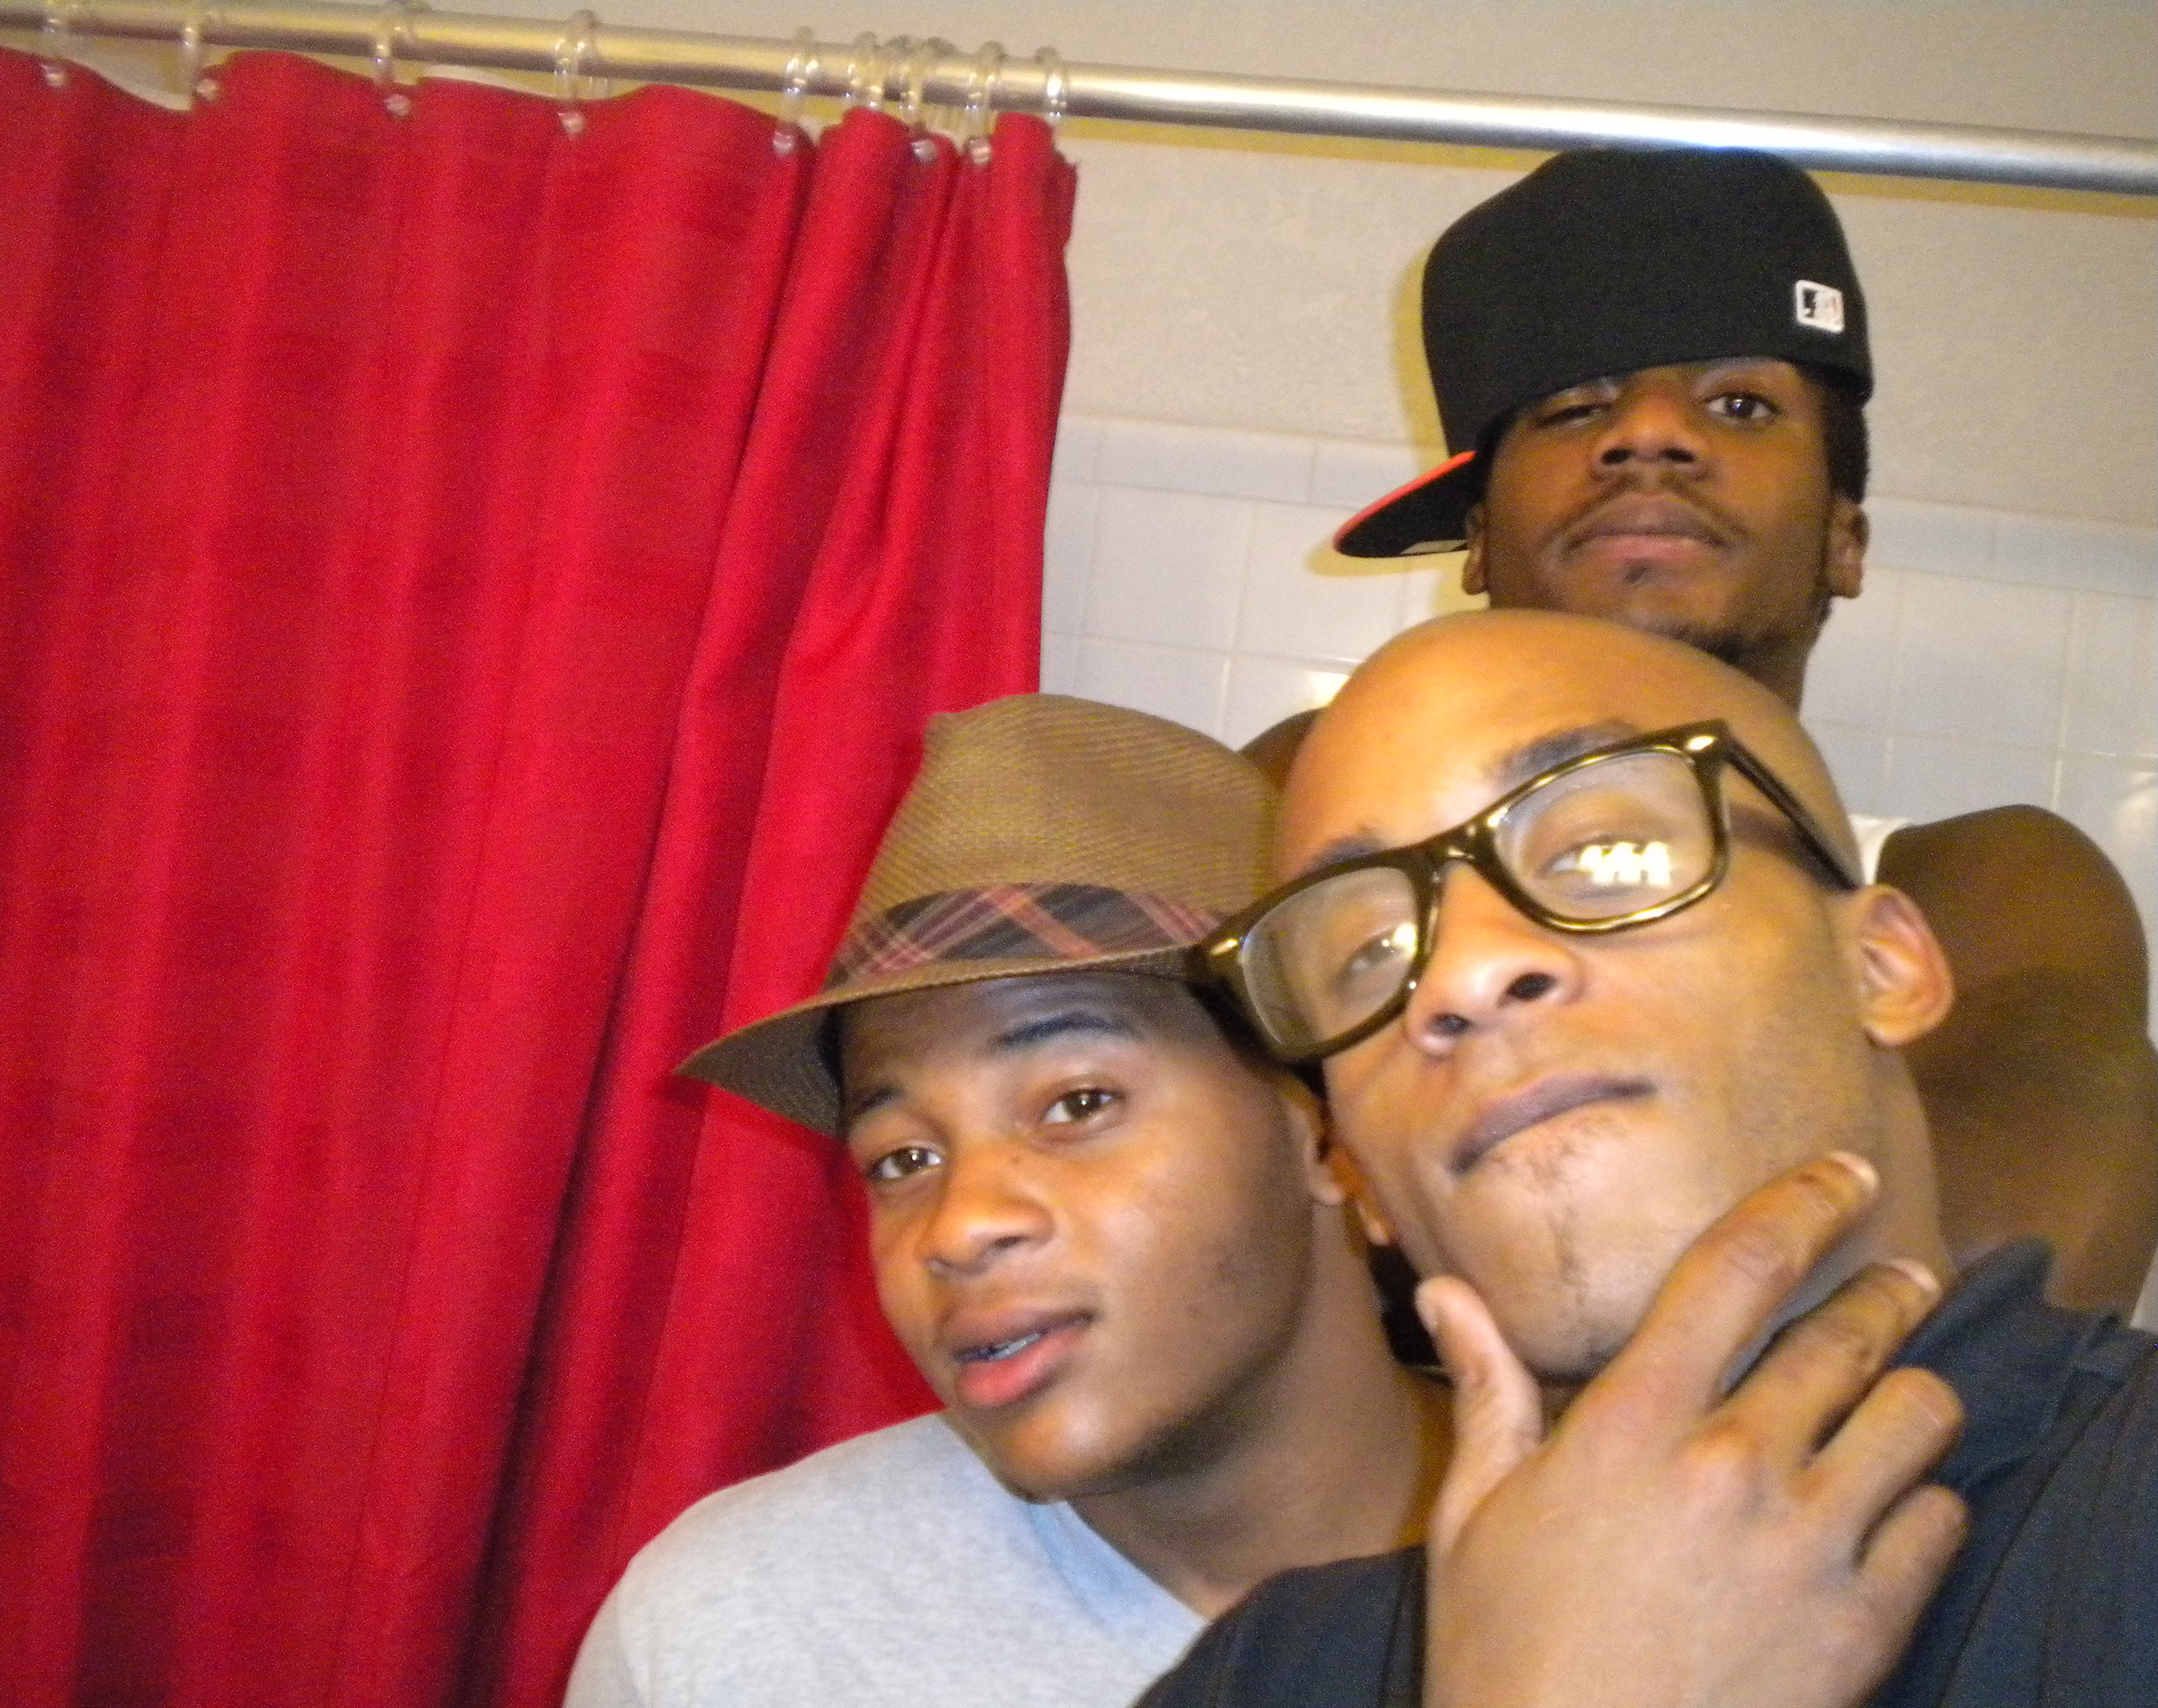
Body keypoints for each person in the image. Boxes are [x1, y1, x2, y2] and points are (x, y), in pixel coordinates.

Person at [1151, 609, 2157, 1707]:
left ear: (1882, 968)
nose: (1460, 975)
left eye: (1605, 853)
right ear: (1359, 1176)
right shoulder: (1264, 1675)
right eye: (1370, 952)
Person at [1249, 145, 2156, 1316]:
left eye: (1740, 405)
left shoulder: (1989, 890)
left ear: (1845, 539)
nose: (1649, 438)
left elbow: (1993, 1306)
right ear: (1476, 544)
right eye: (1576, 409)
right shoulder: (1303, 808)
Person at [563, 694, 1447, 1708]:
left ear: (1326, 1130)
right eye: (902, 1158)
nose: (960, 1226)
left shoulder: (1591, 1558)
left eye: (1077, 1104)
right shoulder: (727, 1635)